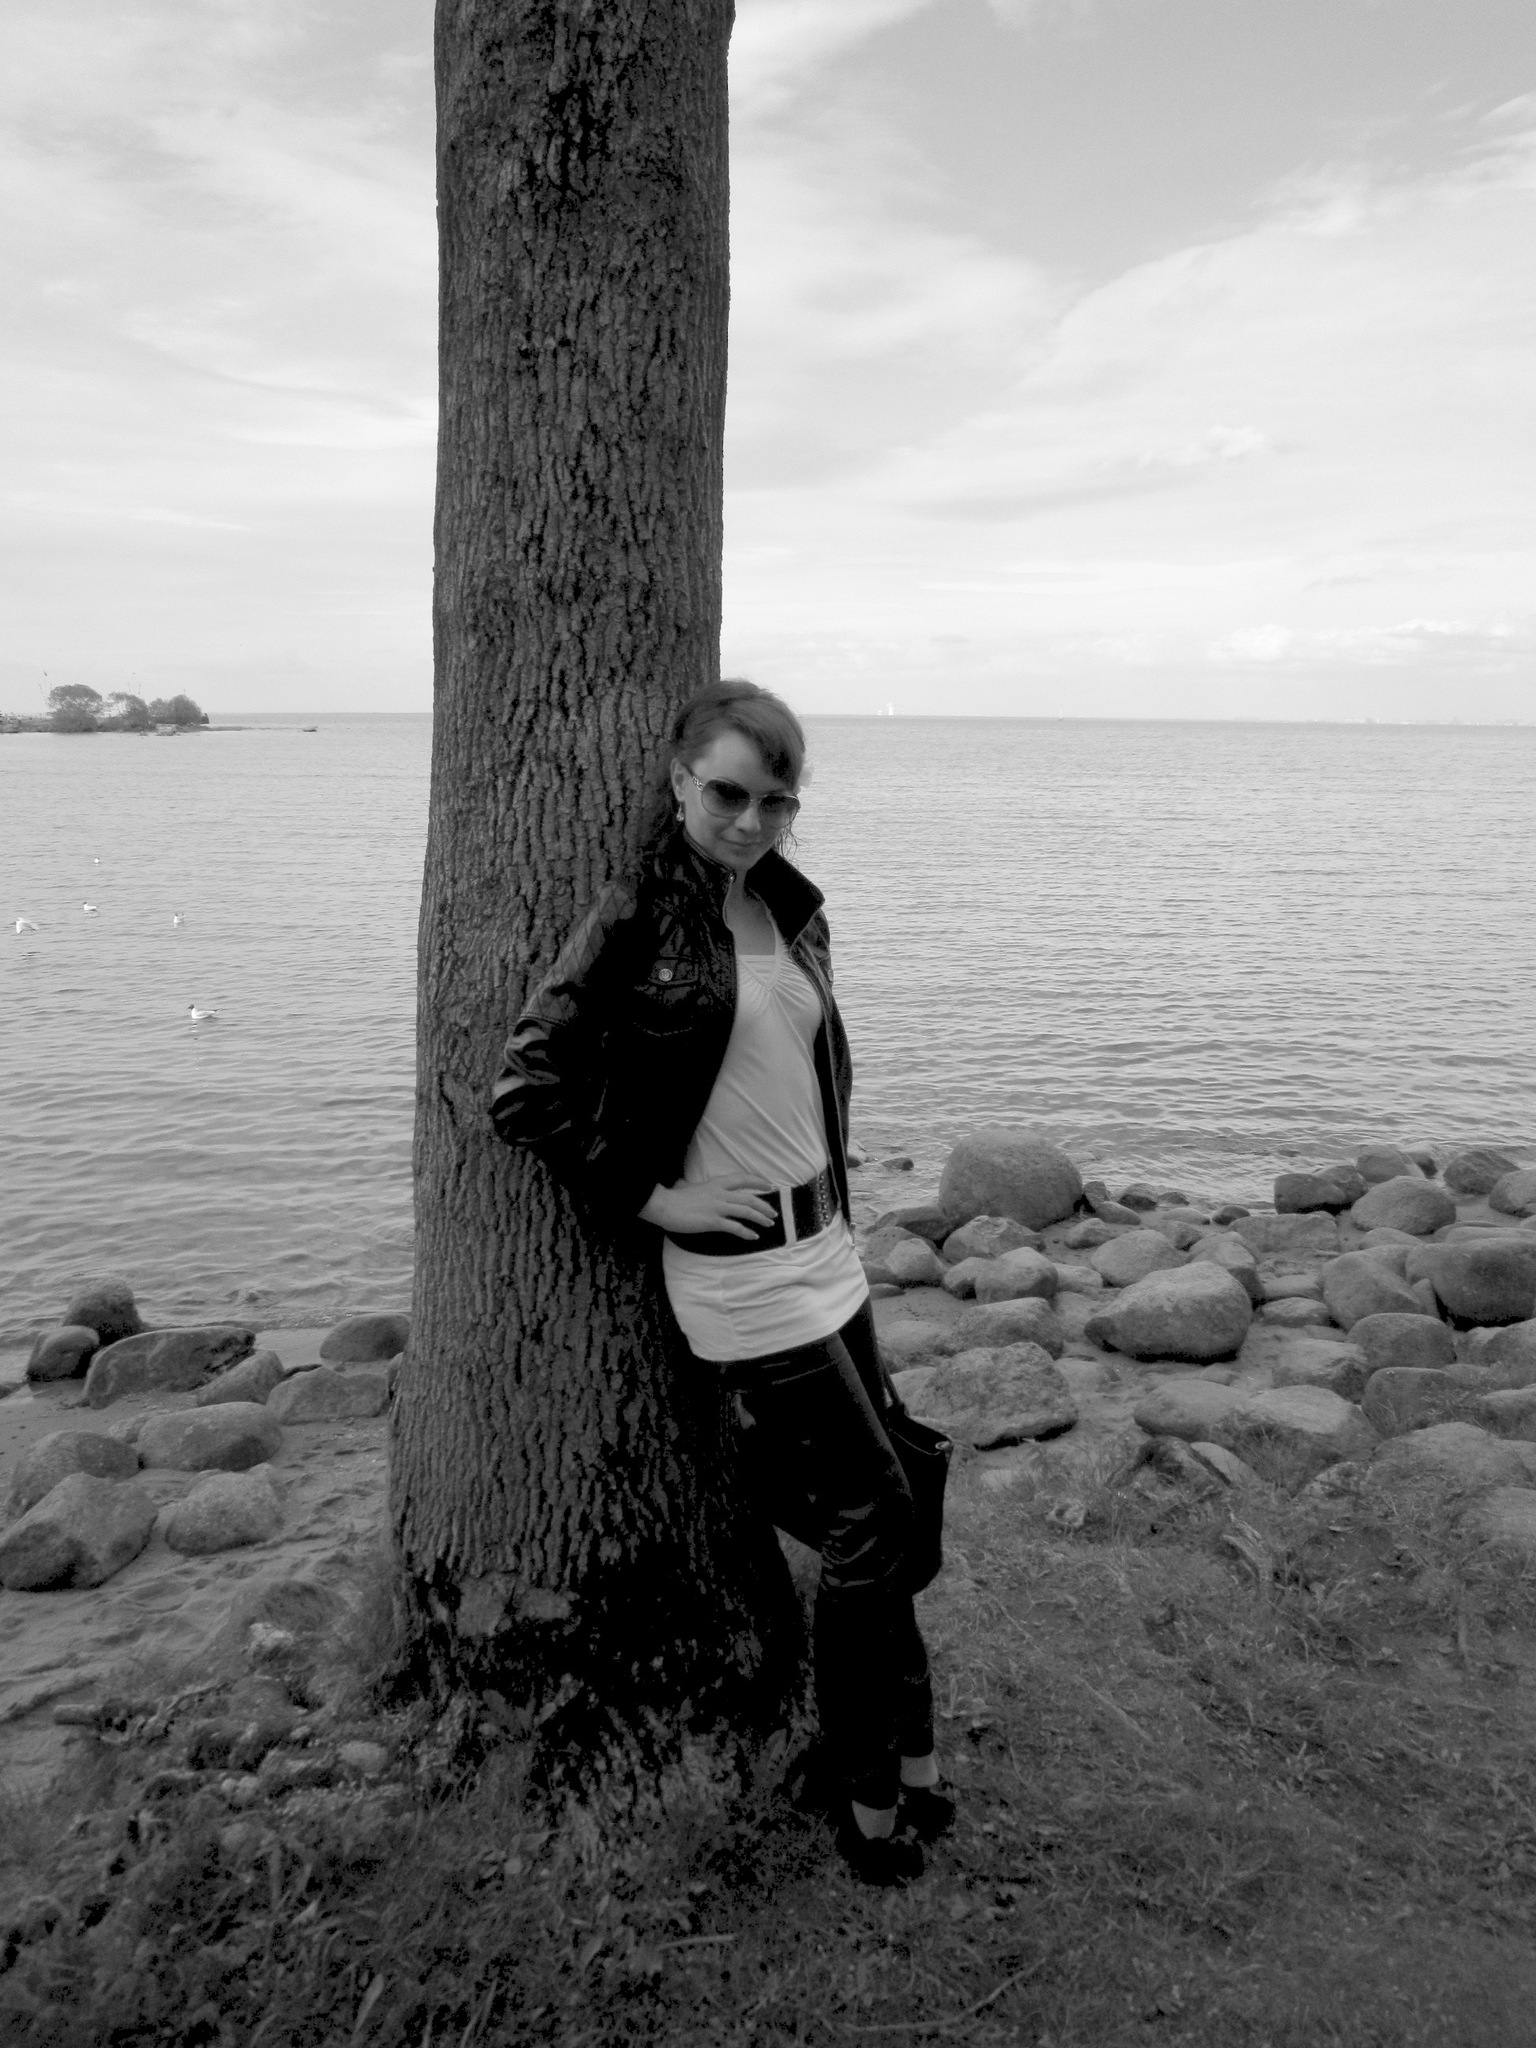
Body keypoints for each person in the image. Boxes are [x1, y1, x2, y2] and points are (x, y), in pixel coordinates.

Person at [490, 679, 951, 1884]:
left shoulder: (791, 907)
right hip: (741, 1277)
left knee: (894, 1500)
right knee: (872, 1521)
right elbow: (525, 1088)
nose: (748, 821)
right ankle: (865, 1790)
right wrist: (655, 1197)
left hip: (827, 1249)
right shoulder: (636, 912)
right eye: (727, 794)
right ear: (681, 780)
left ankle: (911, 1758)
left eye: (774, 801)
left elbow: (802, 1075)